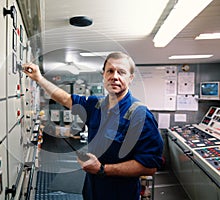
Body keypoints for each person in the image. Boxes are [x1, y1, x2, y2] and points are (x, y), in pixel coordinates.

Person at [22, 52, 164, 200]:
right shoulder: (96, 104)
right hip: (92, 189)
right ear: (103, 75)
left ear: (130, 78)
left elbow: (150, 166)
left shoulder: (140, 115)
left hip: (119, 194)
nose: (114, 76)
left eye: (121, 72)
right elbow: (66, 98)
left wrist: (102, 169)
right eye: (110, 71)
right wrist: (39, 78)